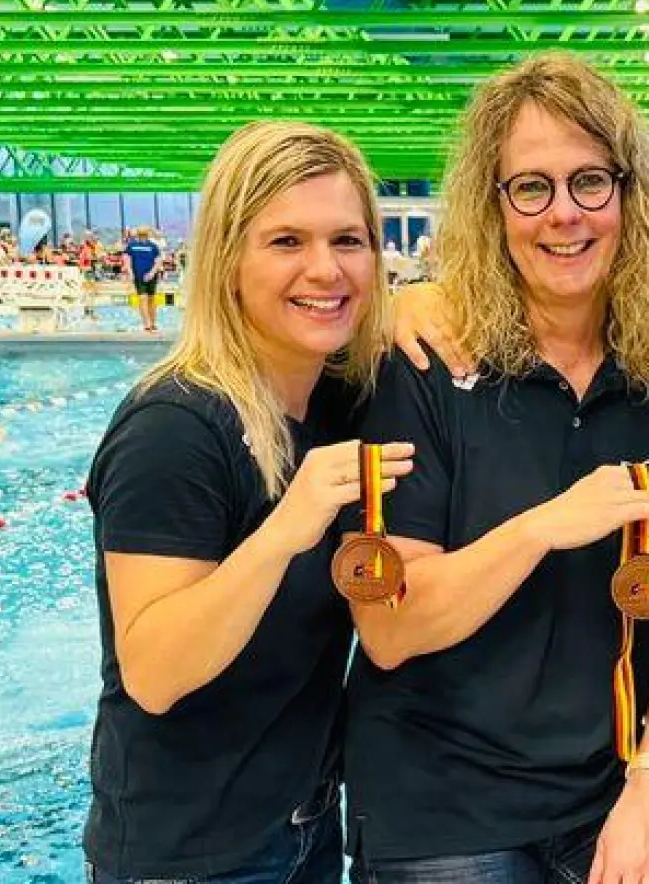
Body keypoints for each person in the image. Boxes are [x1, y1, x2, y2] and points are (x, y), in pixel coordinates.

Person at [344, 53, 649, 884]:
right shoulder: (426, 369)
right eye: (530, 187)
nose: (563, 215)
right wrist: (543, 527)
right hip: (442, 805)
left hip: (609, 786)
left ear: (628, 198)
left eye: (589, 182)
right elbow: (388, 630)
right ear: (492, 209)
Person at [83, 121, 412, 884]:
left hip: (304, 835)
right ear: (229, 259)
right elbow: (155, 672)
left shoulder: (336, 399)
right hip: (187, 857)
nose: (325, 270)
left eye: (349, 241)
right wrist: (284, 532)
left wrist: (420, 304)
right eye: (286, 242)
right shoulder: (174, 427)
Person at [122, 225, 164, 332]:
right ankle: (147, 323)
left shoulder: (153, 246)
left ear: (148, 234)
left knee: (151, 299)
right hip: (138, 276)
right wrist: (130, 273)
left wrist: (152, 272)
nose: (142, 236)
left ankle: (153, 322)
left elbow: (158, 261)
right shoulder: (132, 246)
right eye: (141, 234)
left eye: (144, 234)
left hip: (151, 276)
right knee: (142, 298)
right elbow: (127, 259)